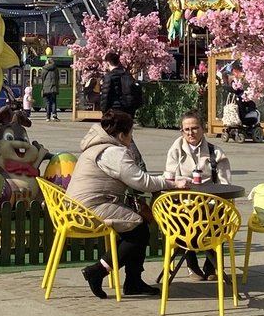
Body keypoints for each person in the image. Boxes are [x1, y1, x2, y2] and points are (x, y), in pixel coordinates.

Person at [67, 110, 186, 298]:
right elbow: (141, 182)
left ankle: (133, 282)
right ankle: (98, 271)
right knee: (138, 230)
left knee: (136, 227)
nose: (131, 139)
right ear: (122, 135)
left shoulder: (96, 146)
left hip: (76, 206)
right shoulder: (112, 152)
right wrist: (171, 184)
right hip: (88, 208)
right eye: (131, 134)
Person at [163, 111, 232, 280]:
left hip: (210, 203)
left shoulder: (216, 153)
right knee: (182, 219)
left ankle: (211, 264)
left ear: (203, 129)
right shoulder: (175, 150)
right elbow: (168, 178)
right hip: (183, 204)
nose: (190, 133)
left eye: (194, 128)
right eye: (186, 129)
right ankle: (191, 263)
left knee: (220, 216)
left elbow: (225, 185)